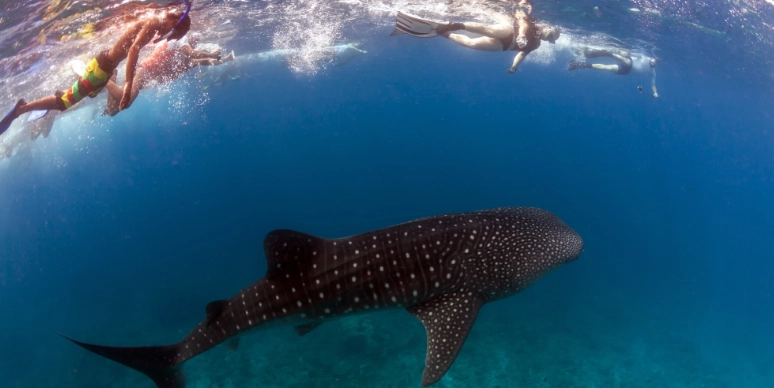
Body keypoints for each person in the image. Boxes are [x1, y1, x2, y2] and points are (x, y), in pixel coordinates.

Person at [0, 3, 192, 135]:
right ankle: (21, 108)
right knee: (64, 103)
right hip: (101, 67)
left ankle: (71, 85)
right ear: (175, 22)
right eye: (173, 33)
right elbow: (134, 49)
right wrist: (127, 84)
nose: (167, 35)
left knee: (89, 95)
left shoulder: (154, 21)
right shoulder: (154, 22)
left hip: (106, 68)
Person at [392, 1, 560, 73]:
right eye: (548, 32)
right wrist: (522, 35)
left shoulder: (536, 45)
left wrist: (514, 66)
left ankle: (444, 32)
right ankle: (455, 25)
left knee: (470, 44)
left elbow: (522, 54)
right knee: (491, 30)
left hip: (505, 46)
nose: (545, 35)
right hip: (510, 32)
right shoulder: (532, 24)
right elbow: (523, 24)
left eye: (549, 37)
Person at [104, 33, 234, 116]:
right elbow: (192, 53)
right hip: (143, 70)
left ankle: (111, 76)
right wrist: (211, 54)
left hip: (147, 77)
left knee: (112, 110)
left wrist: (225, 59)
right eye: (194, 41)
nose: (194, 44)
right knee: (126, 100)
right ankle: (103, 78)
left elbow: (206, 61)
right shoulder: (181, 38)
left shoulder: (181, 60)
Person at [568, 48, 660, 98]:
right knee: (626, 61)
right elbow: (631, 54)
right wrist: (626, 52)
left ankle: (580, 65)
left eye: (654, 64)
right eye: (653, 61)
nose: (652, 63)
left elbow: (653, 84)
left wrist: (655, 92)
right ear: (652, 59)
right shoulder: (644, 57)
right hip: (629, 62)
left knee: (606, 68)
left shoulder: (652, 72)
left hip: (626, 71)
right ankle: (606, 53)